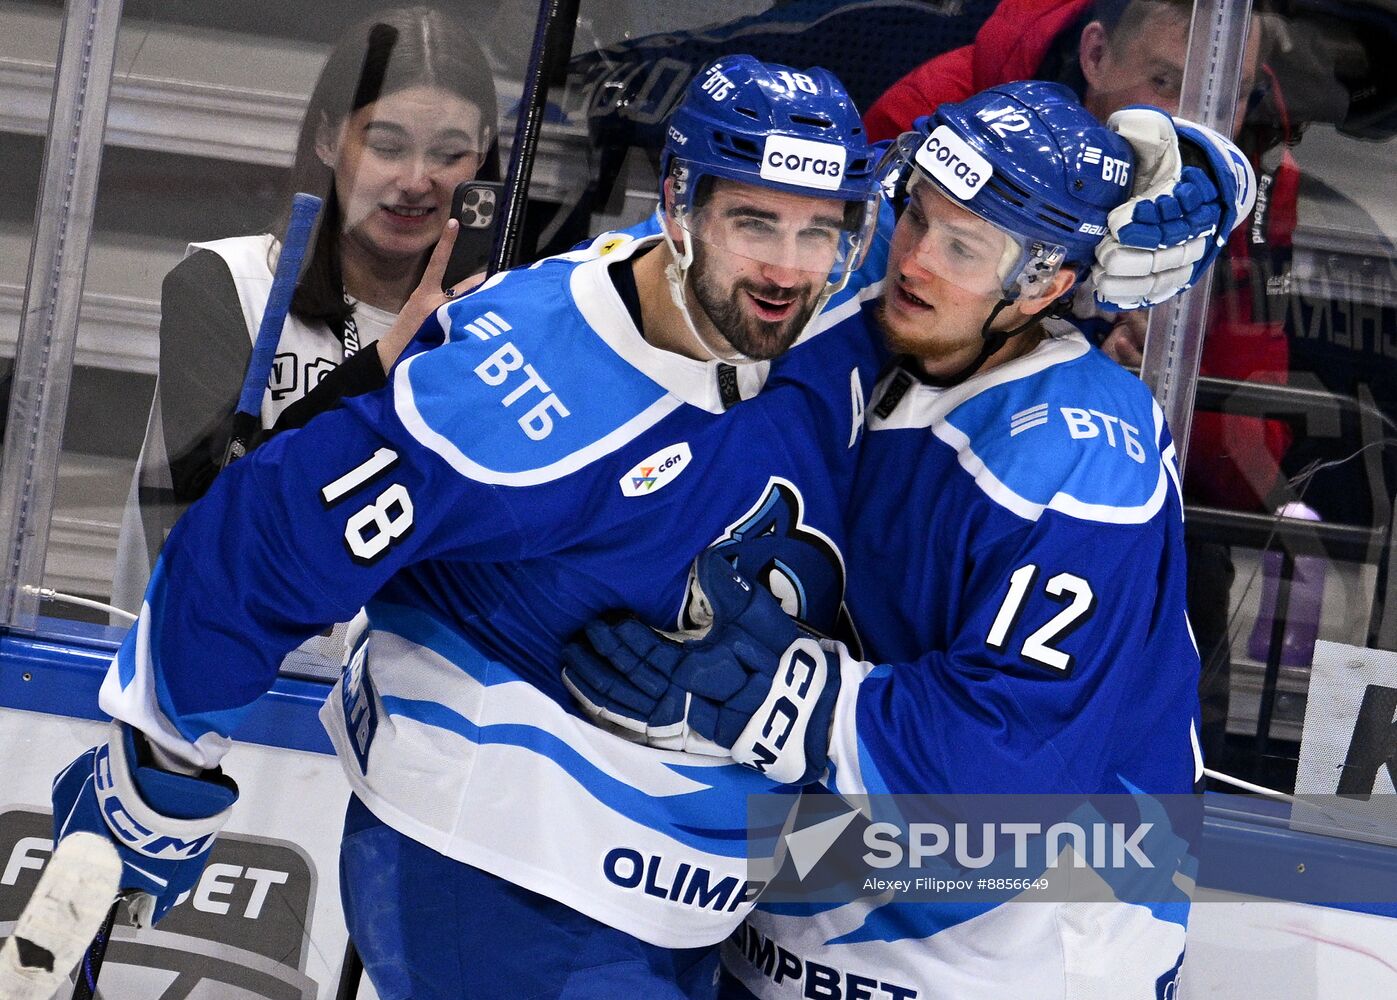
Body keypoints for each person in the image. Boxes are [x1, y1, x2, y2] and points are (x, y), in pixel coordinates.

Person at [54, 55, 888, 1000]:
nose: (788, 266)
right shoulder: (517, 396)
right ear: (680, 205)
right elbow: (271, 536)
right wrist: (161, 762)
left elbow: (943, 208)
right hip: (506, 885)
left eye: (820, 231)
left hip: (683, 900)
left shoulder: (811, 305)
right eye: (754, 223)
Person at [563, 81, 1204, 999]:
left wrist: (773, 699)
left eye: (963, 248)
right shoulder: (875, 315)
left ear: (1047, 285)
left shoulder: (1075, 457)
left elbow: (1006, 775)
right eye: (916, 218)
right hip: (799, 918)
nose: (913, 260)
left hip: (1021, 955)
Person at [863, 0, 1298, 764]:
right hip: (905, 454)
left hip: (1004, 839)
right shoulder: (941, 100)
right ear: (1095, 53)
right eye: (1163, 79)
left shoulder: (1251, 171)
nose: (1192, 110)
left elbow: (1245, 429)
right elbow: (839, 276)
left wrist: (1151, 360)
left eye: (1223, 97)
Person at [111, 5, 500, 675]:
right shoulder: (223, 283)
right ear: (326, 140)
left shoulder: (497, 324)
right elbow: (214, 516)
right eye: (385, 144)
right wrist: (384, 362)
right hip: (194, 688)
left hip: (396, 717)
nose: (416, 180)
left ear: (486, 153)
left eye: (448, 153)